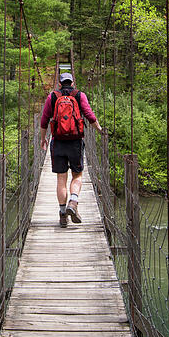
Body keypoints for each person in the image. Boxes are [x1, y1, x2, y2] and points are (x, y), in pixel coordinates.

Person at [39, 72, 102, 228]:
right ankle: (73, 202)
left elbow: (44, 120)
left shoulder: (52, 97)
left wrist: (43, 139)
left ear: (60, 84)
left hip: (58, 142)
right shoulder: (79, 95)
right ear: (72, 82)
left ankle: (62, 215)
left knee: (61, 179)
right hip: (75, 142)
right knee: (77, 175)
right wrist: (100, 130)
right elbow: (89, 115)